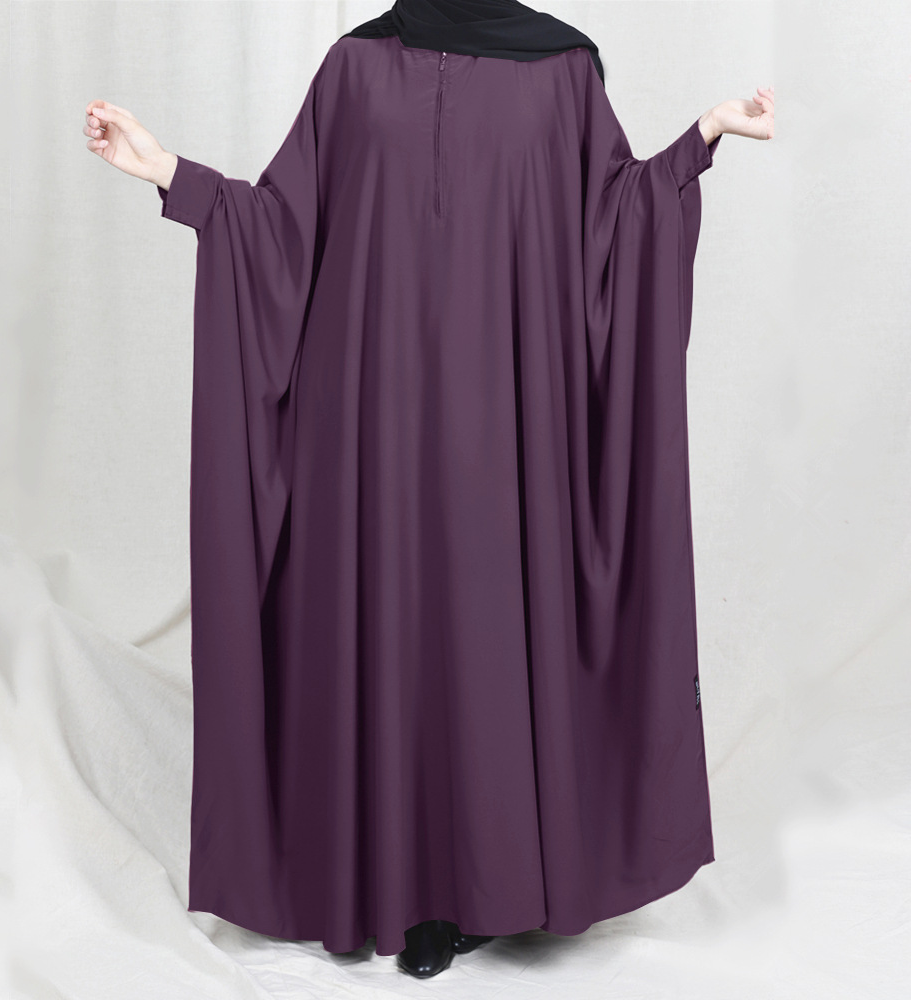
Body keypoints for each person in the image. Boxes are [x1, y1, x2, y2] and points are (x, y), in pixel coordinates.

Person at [83, 0, 773, 980]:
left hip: (513, 433)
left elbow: (611, 225)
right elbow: (283, 229)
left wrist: (699, 141)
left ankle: (495, 883)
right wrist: (169, 173)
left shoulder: (561, 70)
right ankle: (407, 892)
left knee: (485, 638)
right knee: (389, 634)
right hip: (367, 430)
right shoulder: (355, 67)